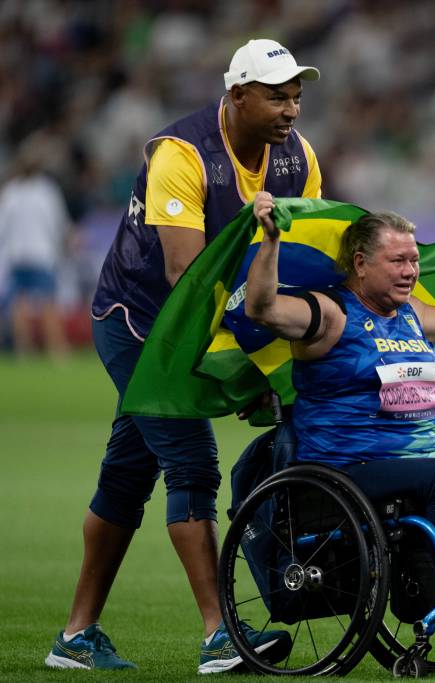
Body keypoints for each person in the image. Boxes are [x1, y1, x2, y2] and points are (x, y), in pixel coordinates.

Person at [46, 39, 323, 673]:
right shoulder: (182, 153)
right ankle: (221, 635)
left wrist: (280, 354)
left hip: (203, 319)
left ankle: (76, 636)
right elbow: (184, 275)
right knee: (193, 465)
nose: (292, 109)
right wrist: (247, 363)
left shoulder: (299, 159)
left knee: (125, 478)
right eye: (277, 95)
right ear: (237, 97)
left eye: (298, 95)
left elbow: (296, 261)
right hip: (141, 324)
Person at [245, 191, 435, 664]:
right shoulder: (330, 313)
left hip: (410, 468)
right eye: (399, 261)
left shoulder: (407, 314)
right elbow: (263, 309)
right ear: (362, 262)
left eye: (414, 259)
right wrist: (270, 242)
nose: (412, 270)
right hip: (344, 472)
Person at [0, 141, 72, 359]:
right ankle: (57, 351)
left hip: (18, 254)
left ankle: (24, 351)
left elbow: (3, 225)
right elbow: (58, 222)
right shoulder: (46, 190)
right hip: (41, 254)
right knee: (48, 303)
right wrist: (64, 243)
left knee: (20, 304)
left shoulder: (12, 191)